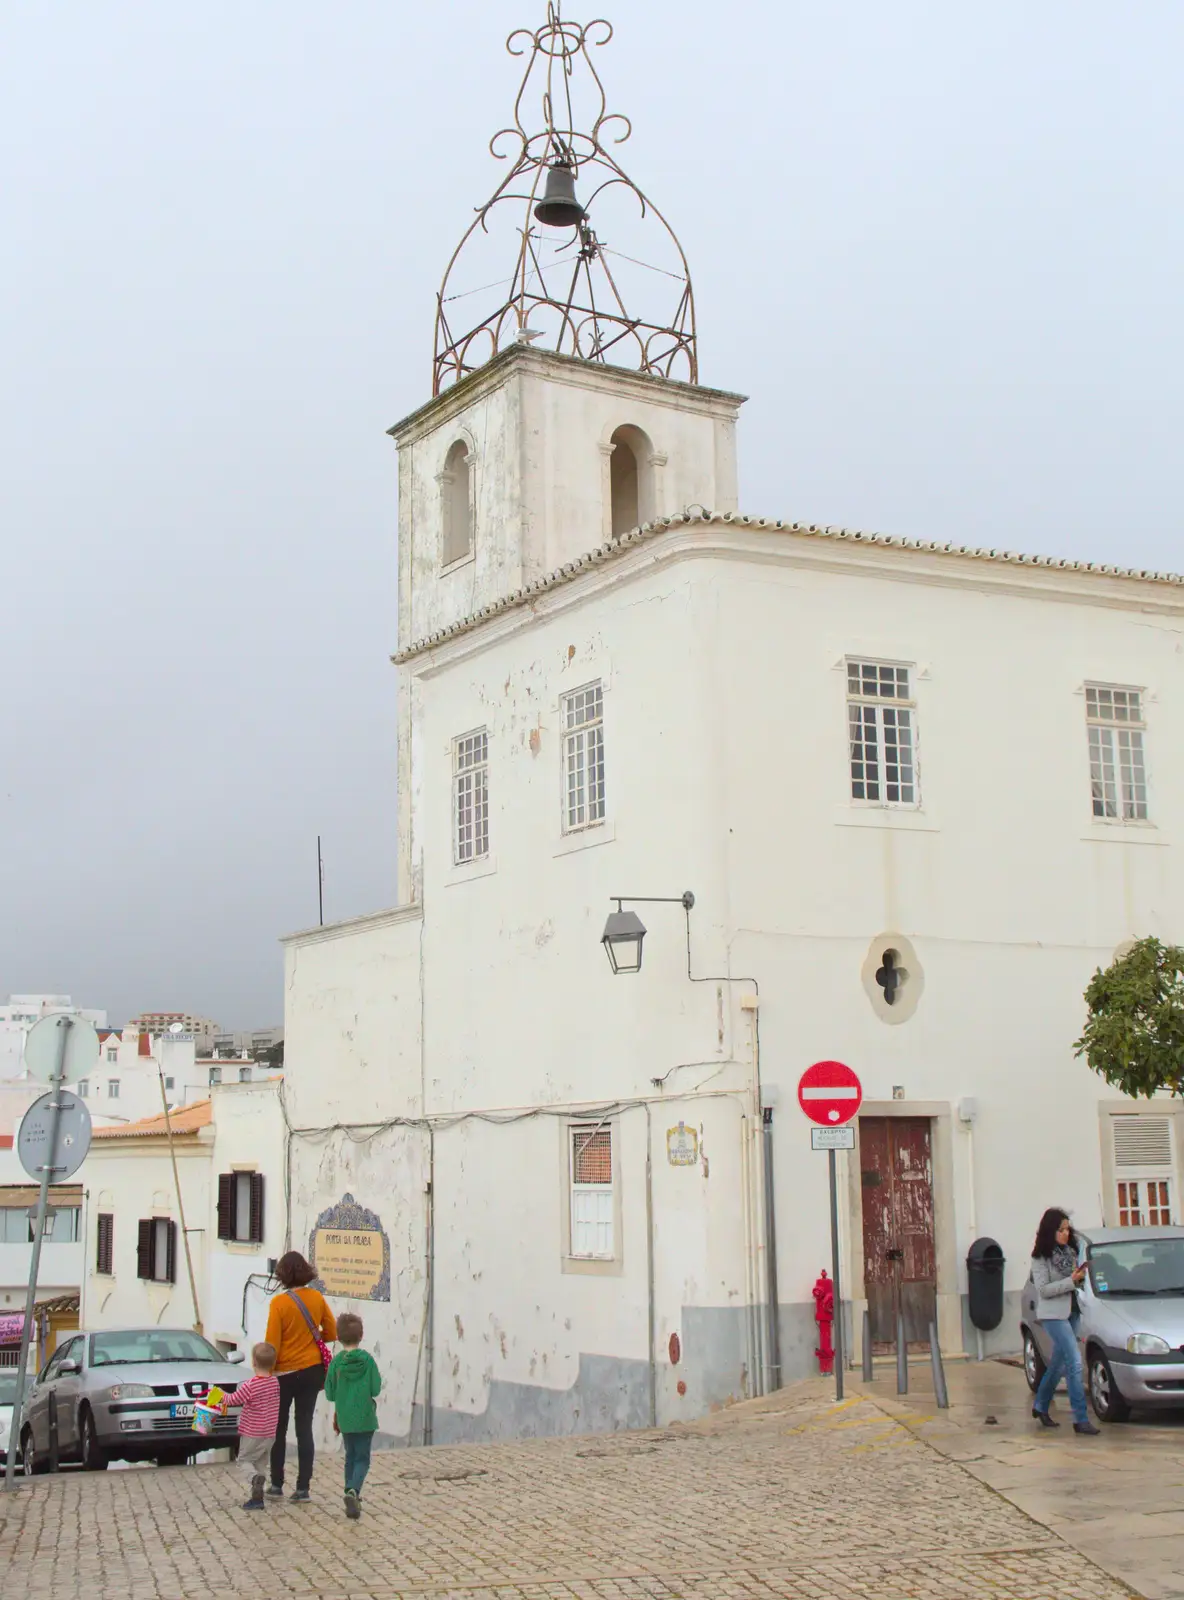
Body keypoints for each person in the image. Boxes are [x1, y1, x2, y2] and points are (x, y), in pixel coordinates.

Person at [264, 1251, 337, 1499]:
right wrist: (313, 1338)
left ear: (283, 1275)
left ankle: (276, 1484)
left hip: (284, 1373)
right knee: (304, 1427)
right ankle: (303, 1487)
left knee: (279, 1429)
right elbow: (331, 1332)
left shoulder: (279, 1304)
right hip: (312, 1371)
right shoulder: (316, 1297)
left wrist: (266, 1372)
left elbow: (271, 1344)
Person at [1029, 1208, 1100, 1435]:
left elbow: (1074, 1282)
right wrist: (1071, 1281)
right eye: (1061, 1230)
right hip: (1053, 1315)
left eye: (1068, 1229)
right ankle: (1080, 1419)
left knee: (1058, 1364)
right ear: (1050, 1231)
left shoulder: (1070, 1252)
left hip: (1073, 1311)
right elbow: (1043, 1290)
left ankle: (1040, 1405)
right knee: (1075, 1362)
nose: (1065, 1234)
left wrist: (1079, 1279)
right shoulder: (1040, 1257)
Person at [324, 1311, 382, 1520]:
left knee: (350, 1455)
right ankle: (354, 1491)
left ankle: (349, 1489)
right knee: (363, 1458)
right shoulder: (368, 1361)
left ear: (338, 1337)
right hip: (366, 1417)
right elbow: (376, 1389)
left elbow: (329, 1393)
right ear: (361, 1335)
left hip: (345, 1418)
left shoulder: (336, 1363)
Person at [229, 1342, 281, 1510]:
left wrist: (221, 1397)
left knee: (244, 1460)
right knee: (260, 1464)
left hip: (252, 1432)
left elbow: (234, 1400)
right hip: (270, 1433)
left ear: (254, 1363)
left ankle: (253, 1480)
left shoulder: (250, 1385)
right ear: (273, 1363)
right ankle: (257, 1498)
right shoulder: (275, 1383)